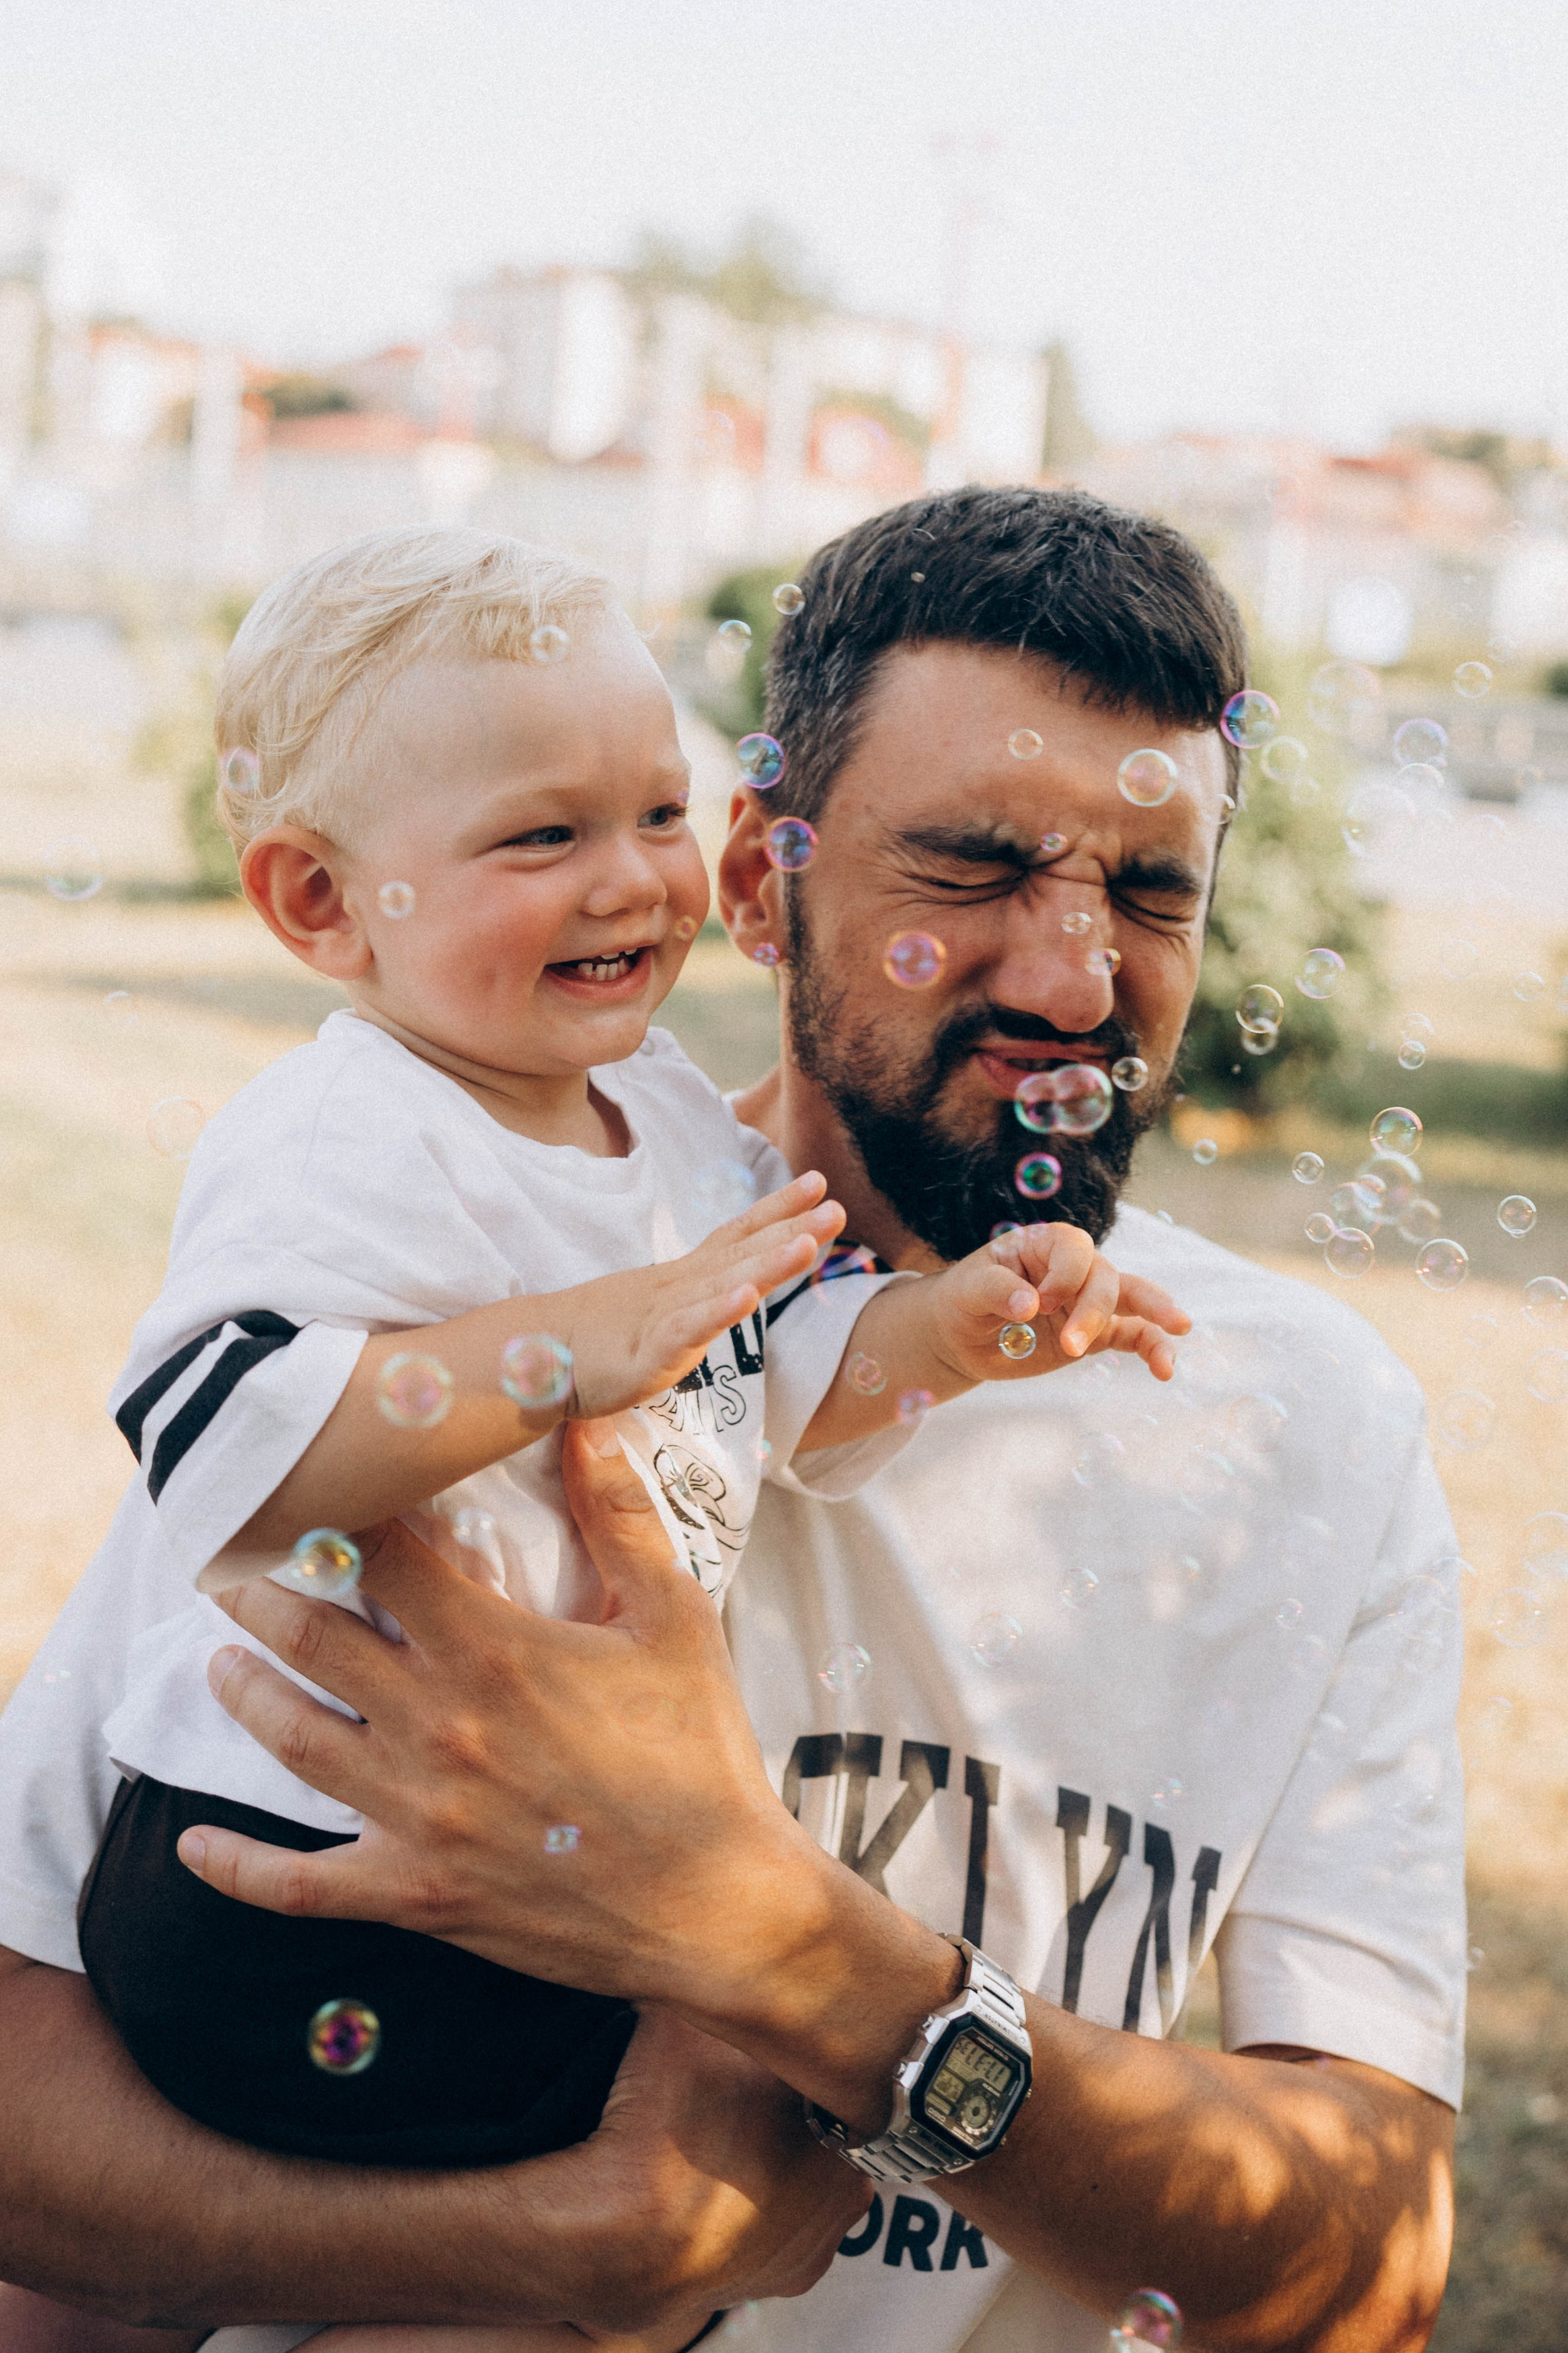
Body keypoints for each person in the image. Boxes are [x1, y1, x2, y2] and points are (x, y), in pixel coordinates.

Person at [0, 488, 1462, 2353]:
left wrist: (798, 1951)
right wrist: (553, 2251)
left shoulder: (1316, 1430)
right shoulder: (437, 1272)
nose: (1073, 977)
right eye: (971, 869)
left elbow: (1364, 2276)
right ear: (761, 884)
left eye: (1152, 890)